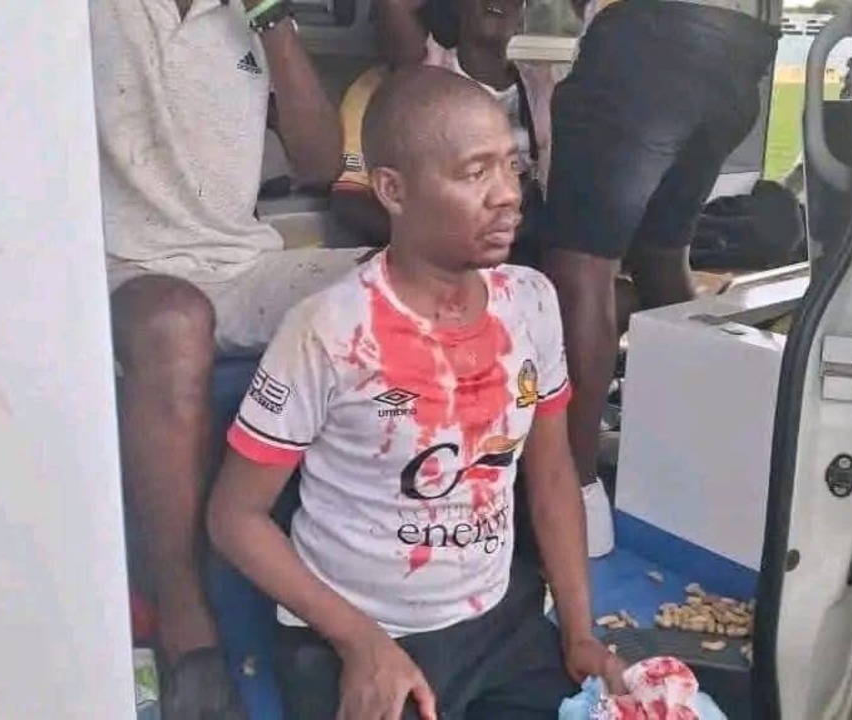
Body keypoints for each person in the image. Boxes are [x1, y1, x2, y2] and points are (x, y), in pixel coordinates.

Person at [207, 66, 626, 720]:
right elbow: (234, 518)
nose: (507, 196)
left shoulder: (531, 302)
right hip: (354, 635)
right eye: (475, 173)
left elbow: (551, 474)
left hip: (499, 626)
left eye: (511, 167)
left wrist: (578, 633)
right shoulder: (329, 330)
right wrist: (361, 642)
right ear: (393, 190)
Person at [89, 0, 372, 716]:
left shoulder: (251, 16)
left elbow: (320, 163)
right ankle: (187, 629)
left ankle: (391, 577)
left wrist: (273, 20)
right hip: (122, 269)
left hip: (242, 266)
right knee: (175, 322)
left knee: (396, 281)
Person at [541, 0, 780, 556]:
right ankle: (689, 462)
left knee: (580, 270)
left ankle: (576, 495)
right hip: (736, 48)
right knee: (662, 253)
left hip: (644, 37)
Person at [330, 0, 554, 271]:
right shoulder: (420, 77)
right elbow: (350, 201)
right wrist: (436, 244)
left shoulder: (542, 88)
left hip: (525, 254)